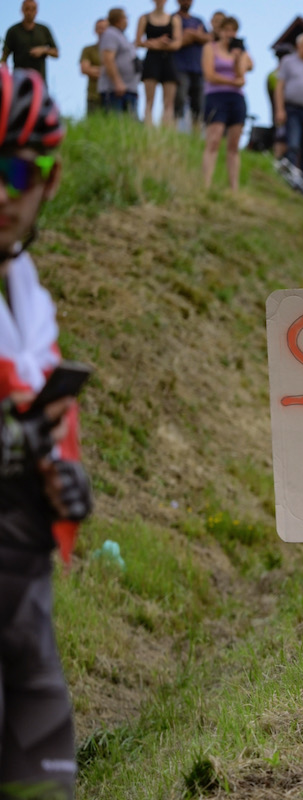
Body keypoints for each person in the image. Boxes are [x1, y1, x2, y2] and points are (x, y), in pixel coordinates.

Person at [0, 65, 94, 800]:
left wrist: (53, 481)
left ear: (49, 179)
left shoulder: (26, 289)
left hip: (17, 582)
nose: (4, 189)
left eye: (17, 167)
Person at [200, 14, 250, 192]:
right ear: (220, 31)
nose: (230, 33)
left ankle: (234, 188)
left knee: (234, 145)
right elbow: (209, 75)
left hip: (236, 99)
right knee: (213, 140)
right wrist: (230, 82)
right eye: (226, 30)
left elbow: (241, 77)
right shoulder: (210, 48)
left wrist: (237, 58)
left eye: (233, 30)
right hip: (216, 97)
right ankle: (205, 184)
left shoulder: (241, 51)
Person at [273, 32, 303, 179]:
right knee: (293, 144)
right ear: (299, 46)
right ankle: (289, 174)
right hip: (293, 108)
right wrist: (280, 109)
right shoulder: (288, 61)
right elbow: (280, 86)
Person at [135, 0, 181, 128]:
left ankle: (166, 131)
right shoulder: (144, 18)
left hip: (168, 60)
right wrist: (157, 42)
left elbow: (177, 44)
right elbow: (138, 42)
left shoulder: (174, 19)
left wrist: (157, 44)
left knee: (169, 102)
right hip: (151, 60)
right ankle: (148, 129)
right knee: (149, 101)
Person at [171, 0, 209, 131]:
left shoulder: (198, 20)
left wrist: (191, 34)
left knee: (198, 104)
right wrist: (195, 36)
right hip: (179, 67)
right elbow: (176, 42)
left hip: (198, 69)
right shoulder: (173, 19)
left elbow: (208, 39)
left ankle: (196, 133)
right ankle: (174, 129)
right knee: (179, 99)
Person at [98, 7, 138, 116]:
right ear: (120, 19)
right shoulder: (110, 34)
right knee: (115, 124)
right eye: (126, 17)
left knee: (129, 128)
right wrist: (117, 82)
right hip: (115, 90)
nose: (127, 20)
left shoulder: (121, 36)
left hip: (128, 89)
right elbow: (108, 59)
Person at [2, 1, 56, 79]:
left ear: (36, 11)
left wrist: (44, 50)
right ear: (22, 10)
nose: (29, 12)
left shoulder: (44, 30)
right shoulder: (13, 31)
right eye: (27, 9)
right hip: (19, 81)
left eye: (33, 9)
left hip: (39, 81)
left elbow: (56, 52)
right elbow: (5, 57)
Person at [79, 18, 108, 117]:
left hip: (112, 96)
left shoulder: (116, 51)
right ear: (95, 31)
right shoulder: (88, 50)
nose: (102, 31)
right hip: (93, 95)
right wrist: (107, 72)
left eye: (105, 28)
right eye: (99, 28)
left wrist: (96, 70)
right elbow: (84, 69)